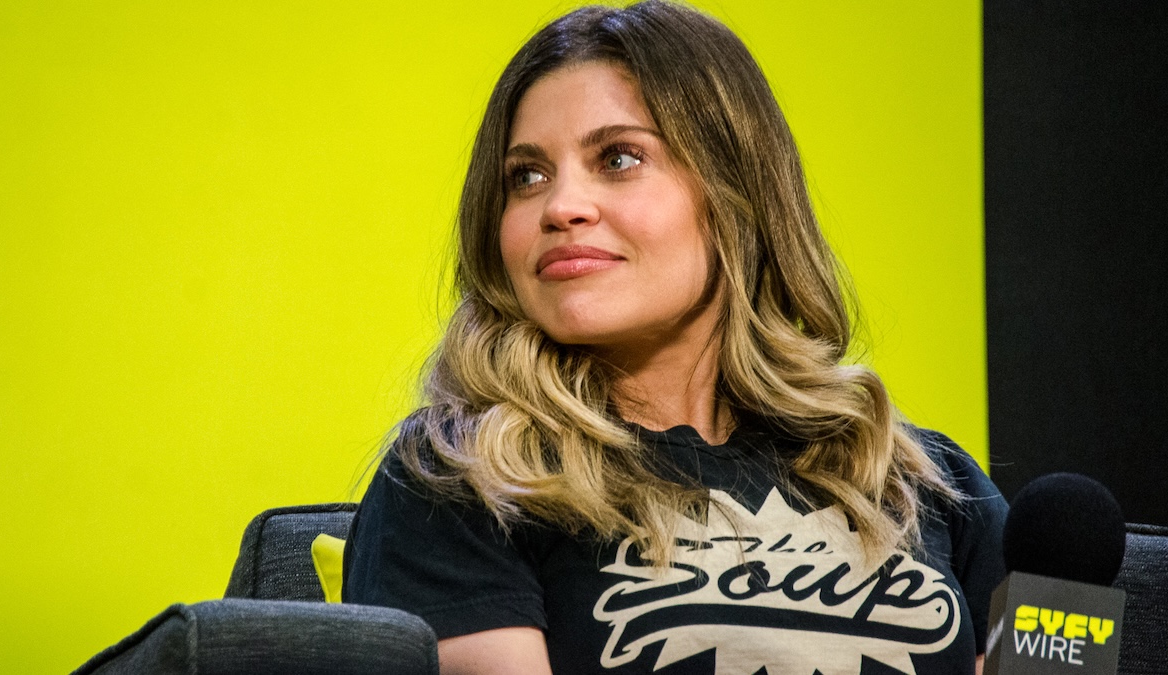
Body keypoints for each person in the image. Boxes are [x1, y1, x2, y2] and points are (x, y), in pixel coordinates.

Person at [343, 2, 1007, 674]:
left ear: (737, 192)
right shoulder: (465, 479)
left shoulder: (920, 478)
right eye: (527, 176)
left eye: (619, 158)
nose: (561, 206)